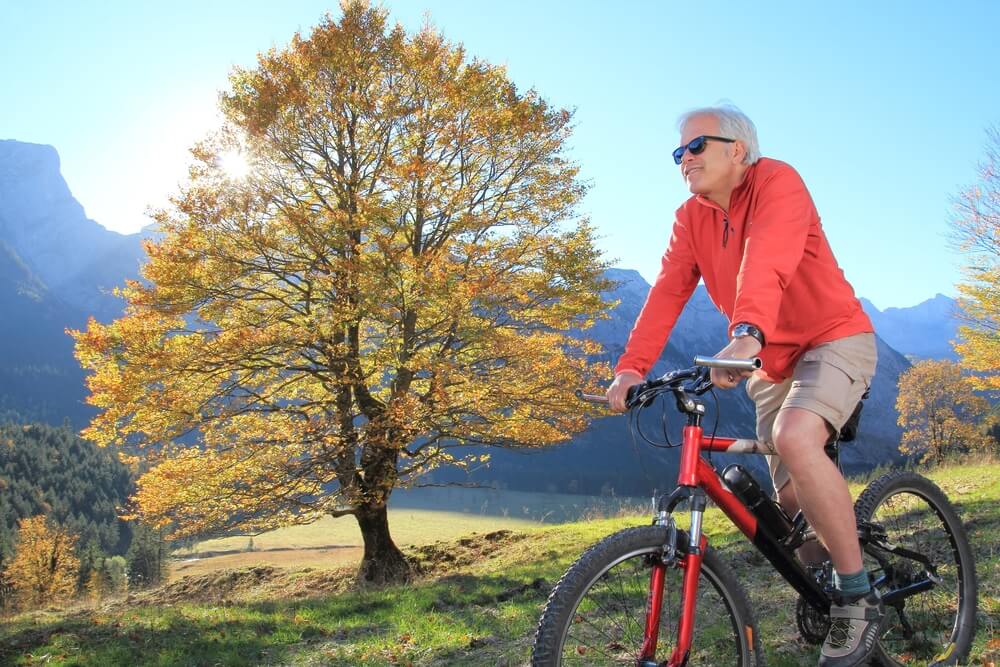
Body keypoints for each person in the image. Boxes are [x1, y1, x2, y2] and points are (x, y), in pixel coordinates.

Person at [606, 105, 881, 667]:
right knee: (788, 508)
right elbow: (665, 294)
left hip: (833, 339)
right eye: (677, 152)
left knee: (796, 436)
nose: (684, 159)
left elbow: (767, 259)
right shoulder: (690, 219)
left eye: (696, 146)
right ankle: (828, 578)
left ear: (738, 149)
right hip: (772, 365)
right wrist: (631, 367)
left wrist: (746, 334)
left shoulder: (779, 181)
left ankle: (858, 597)